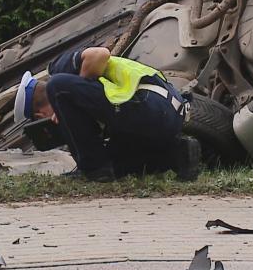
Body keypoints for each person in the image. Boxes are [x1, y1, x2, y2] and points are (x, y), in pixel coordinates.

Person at [13, 47, 200, 182]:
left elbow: (101, 53)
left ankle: (93, 169)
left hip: (147, 103)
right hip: (167, 115)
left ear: (39, 115)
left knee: (58, 86)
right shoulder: (94, 101)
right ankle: (178, 153)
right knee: (113, 162)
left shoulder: (58, 69)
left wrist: (76, 94)